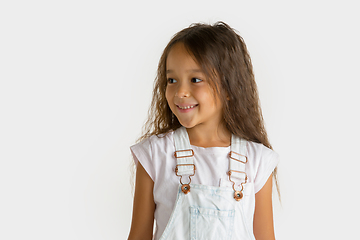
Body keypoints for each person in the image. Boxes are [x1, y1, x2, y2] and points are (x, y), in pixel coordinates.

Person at [127, 21, 279, 240]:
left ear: (229, 88)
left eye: (195, 79)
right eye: (172, 80)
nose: (180, 92)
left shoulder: (257, 161)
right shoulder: (154, 155)